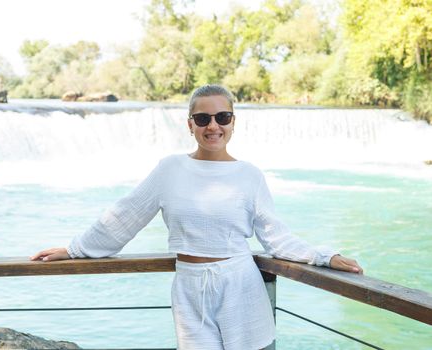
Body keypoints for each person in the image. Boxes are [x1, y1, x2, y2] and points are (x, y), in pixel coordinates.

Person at [31, 84, 363, 350]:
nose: (213, 126)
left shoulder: (250, 175)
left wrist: (324, 256)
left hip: (241, 286)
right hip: (190, 288)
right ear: (190, 125)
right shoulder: (170, 169)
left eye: (222, 117)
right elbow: (127, 215)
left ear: (233, 121)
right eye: (203, 119)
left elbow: (276, 237)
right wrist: (75, 249)